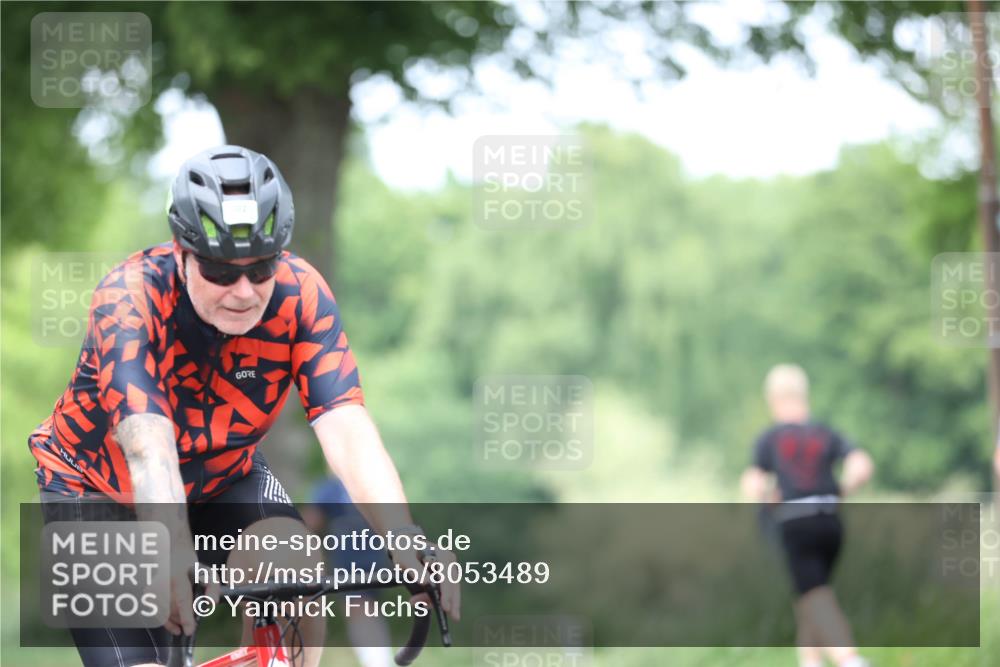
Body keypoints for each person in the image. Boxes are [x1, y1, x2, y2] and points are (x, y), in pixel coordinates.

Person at [28, 145, 459, 667]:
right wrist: (170, 551)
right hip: (95, 486)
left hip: (221, 475)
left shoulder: (301, 295)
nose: (243, 292)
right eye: (219, 271)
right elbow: (146, 444)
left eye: (261, 269)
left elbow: (344, 423)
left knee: (294, 564)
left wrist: (401, 533)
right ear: (181, 252)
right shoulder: (130, 298)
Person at [740, 364, 874, 667]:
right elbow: (862, 465)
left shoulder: (769, 438)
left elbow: (752, 482)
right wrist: (843, 488)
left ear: (772, 398)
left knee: (815, 595)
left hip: (795, 523)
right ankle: (810, 662)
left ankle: (848, 658)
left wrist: (766, 496)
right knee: (808, 596)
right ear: (804, 395)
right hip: (830, 522)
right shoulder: (826, 432)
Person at [302, 477, 393, 667]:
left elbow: (312, 520)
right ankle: (380, 660)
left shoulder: (330, 488)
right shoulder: (370, 481)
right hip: (374, 551)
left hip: (350, 553)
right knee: (367, 609)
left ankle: (377, 662)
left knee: (358, 609)